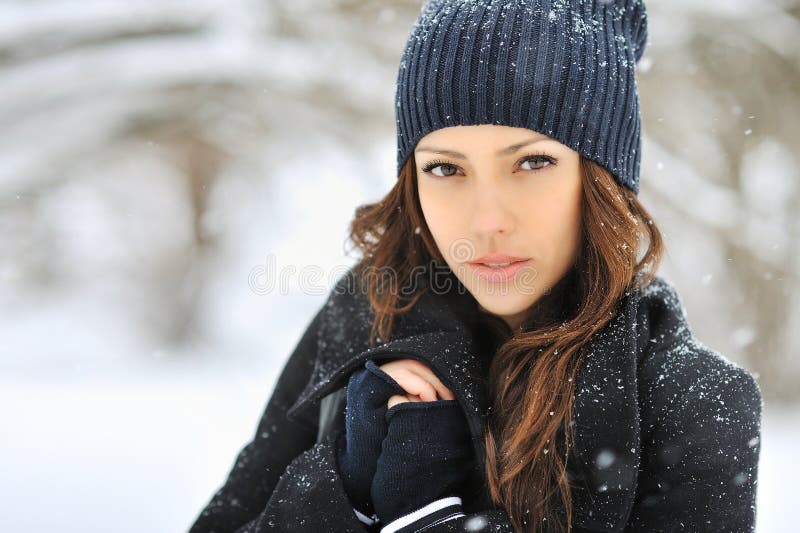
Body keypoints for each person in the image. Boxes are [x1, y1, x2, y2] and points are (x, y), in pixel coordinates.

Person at [188, 0, 762, 532]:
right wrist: (345, 489)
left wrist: (425, 516)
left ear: (600, 179)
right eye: (446, 169)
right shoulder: (369, 310)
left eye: (532, 162)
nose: (486, 220)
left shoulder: (695, 403)